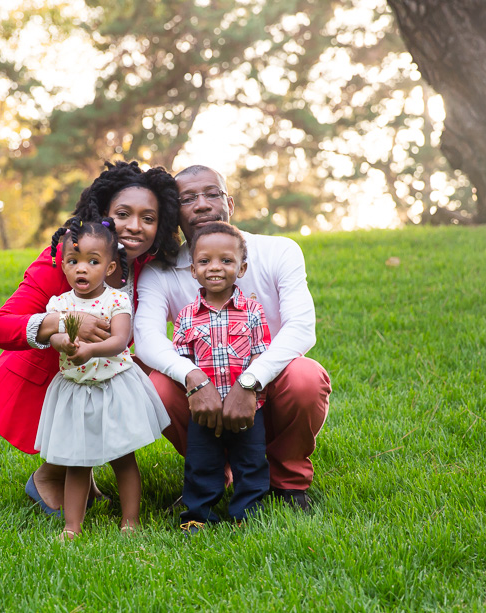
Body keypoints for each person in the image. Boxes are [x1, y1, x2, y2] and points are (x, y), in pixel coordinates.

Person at [0, 161, 180, 516]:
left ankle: (87, 472)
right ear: (101, 214)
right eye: (123, 213)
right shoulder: (63, 260)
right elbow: (0, 327)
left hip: (108, 367)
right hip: (50, 369)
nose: (135, 226)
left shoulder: (146, 264)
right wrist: (66, 321)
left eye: (148, 218)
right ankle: (48, 477)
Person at [134, 165, 331, 511]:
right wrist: (192, 378)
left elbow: (301, 327)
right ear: (174, 212)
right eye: (187, 198)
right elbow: (147, 339)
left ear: (231, 203)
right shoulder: (160, 271)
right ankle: (213, 470)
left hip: (270, 384)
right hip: (204, 394)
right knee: (159, 386)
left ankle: (286, 480)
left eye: (213, 194)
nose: (202, 204)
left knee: (306, 377)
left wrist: (251, 381)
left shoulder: (279, 251)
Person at [35, 219, 170, 539]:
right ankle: (72, 526)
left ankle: (131, 520)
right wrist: (61, 342)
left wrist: (91, 350)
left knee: (123, 458)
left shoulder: (116, 301)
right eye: (73, 261)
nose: (82, 269)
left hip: (114, 386)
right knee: (77, 462)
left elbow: (120, 341)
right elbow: (53, 338)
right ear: (63, 266)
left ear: (109, 267)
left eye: (92, 262)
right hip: (76, 390)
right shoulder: (59, 305)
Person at [172, 221, 271, 534]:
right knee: (201, 463)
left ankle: (249, 515)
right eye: (204, 261)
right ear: (193, 270)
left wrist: (249, 389)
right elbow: (181, 358)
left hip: (247, 407)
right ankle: (198, 515)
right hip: (205, 410)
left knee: (251, 461)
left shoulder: (252, 311)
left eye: (225, 261)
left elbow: (261, 353)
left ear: (241, 269)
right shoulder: (187, 315)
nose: (215, 268)